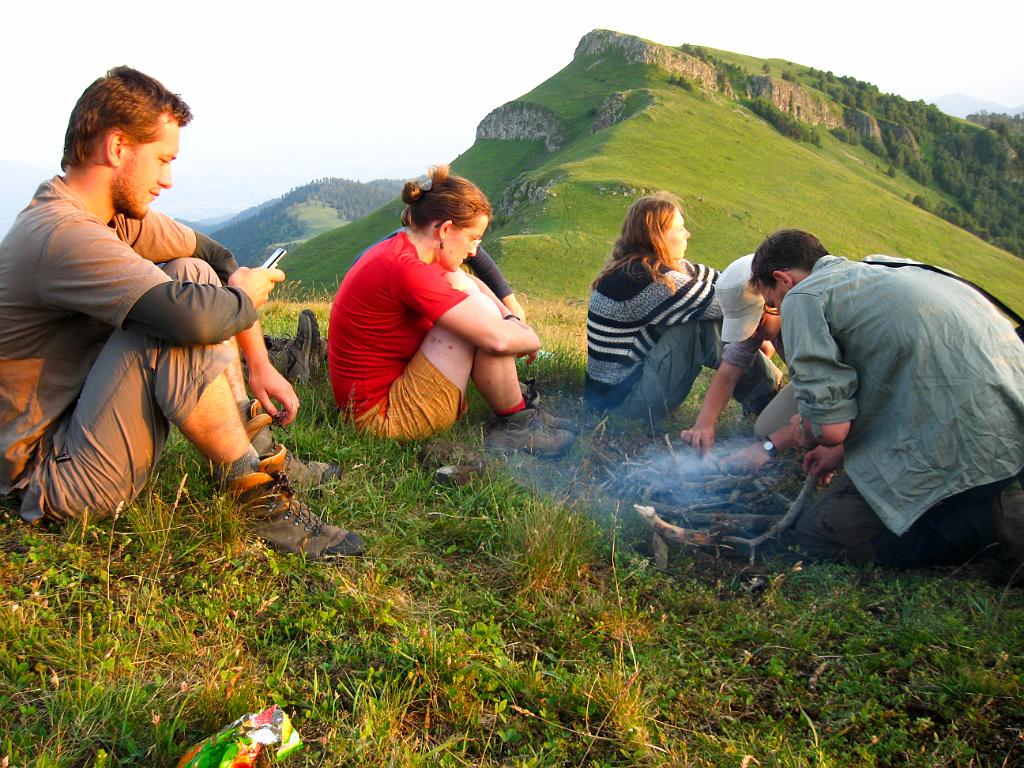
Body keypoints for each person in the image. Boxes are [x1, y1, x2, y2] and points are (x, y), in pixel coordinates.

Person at [0, 66, 362, 558]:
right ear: (117, 147)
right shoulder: (62, 234)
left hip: (80, 428)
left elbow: (216, 258)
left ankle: (257, 453)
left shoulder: (110, 218)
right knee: (177, 317)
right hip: (49, 477)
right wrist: (245, 298)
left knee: (190, 272)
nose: (167, 180)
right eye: (162, 160)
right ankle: (256, 497)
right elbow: (195, 319)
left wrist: (258, 364)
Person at [745, 229, 1024, 566]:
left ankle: (1003, 523)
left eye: (772, 302)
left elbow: (829, 429)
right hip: (1012, 418)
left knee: (819, 531)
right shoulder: (890, 267)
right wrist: (843, 450)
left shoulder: (805, 297)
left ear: (783, 279)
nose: (776, 311)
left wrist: (807, 429)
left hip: (975, 445)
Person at [327, 165, 576, 455]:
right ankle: (516, 426)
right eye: (472, 239)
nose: (473, 251)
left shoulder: (408, 250)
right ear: (446, 229)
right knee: (482, 322)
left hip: (378, 394)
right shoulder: (406, 269)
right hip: (381, 418)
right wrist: (530, 338)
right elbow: (496, 339)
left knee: (468, 292)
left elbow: (470, 281)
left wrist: (510, 318)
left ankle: (519, 408)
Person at [585, 194, 780, 430]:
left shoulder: (653, 268)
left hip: (618, 394)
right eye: (680, 228)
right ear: (658, 237)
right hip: (622, 406)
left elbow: (726, 283)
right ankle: (767, 396)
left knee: (704, 314)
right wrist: (757, 333)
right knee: (699, 324)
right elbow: (729, 302)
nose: (687, 234)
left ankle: (766, 392)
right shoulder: (645, 280)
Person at [680, 253, 794, 460]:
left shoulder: (803, 323)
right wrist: (704, 424)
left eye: (754, 323)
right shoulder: (761, 324)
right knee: (765, 427)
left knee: (818, 436)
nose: (751, 333)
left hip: (846, 393)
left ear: (771, 300)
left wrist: (772, 446)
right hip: (811, 384)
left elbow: (831, 392)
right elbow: (728, 373)